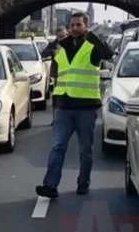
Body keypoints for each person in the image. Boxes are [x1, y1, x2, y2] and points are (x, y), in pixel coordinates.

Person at [36, 13, 113, 199]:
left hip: (85, 108)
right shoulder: (62, 46)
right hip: (63, 106)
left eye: (79, 24)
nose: (75, 28)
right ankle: (50, 185)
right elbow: (53, 67)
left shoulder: (92, 46)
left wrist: (92, 35)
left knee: (85, 149)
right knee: (57, 147)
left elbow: (107, 54)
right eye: (72, 25)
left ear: (86, 26)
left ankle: (83, 182)